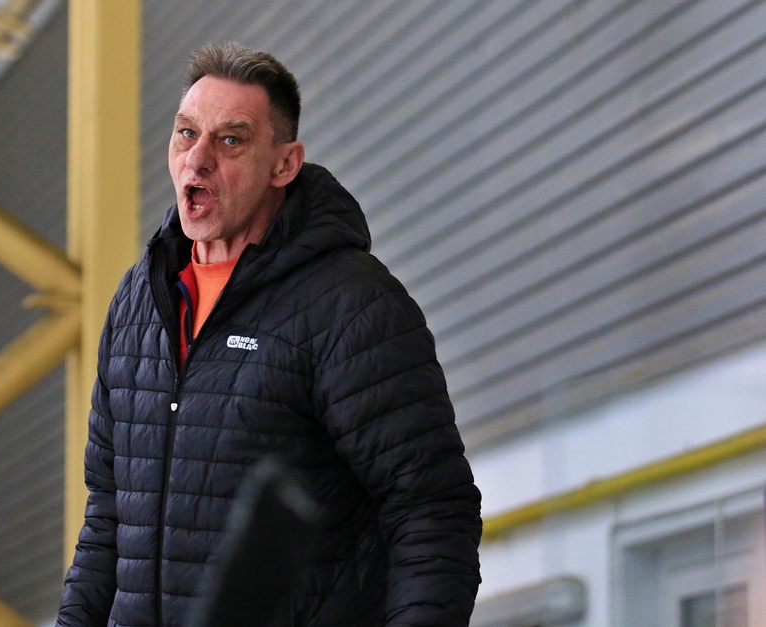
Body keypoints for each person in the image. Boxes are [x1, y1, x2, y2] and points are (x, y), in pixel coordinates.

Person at [56, 42, 482, 627]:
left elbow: (430, 509)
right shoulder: (137, 303)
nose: (198, 159)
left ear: (284, 165)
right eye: (186, 133)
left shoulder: (350, 304)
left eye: (230, 140)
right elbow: (108, 515)